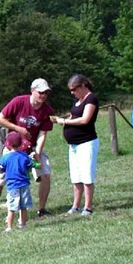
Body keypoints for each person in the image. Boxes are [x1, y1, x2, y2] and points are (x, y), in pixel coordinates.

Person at [0, 79, 55, 219]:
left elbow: (43, 133)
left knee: (46, 173)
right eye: (41, 92)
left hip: (33, 146)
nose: (43, 95)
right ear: (32, 91)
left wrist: (38, 153)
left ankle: (42, 209)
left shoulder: (47, 110)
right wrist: (19, 129)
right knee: (1, 179)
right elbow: (0, 118)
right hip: (14, 146)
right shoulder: (19, 101)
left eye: (46, 92)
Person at [53, 74, 99, 216]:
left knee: (87, 176)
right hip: (73, 144)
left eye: (74, 89)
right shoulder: (77, 101)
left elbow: (85, 120)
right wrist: (60, 120)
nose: (72, 93)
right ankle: (75, 205)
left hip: (86, 142)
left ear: (83, 86)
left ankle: (88, 207)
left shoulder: (91, 99)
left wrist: (64, 122)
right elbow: (73, 116)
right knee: (76, 176)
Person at [0, 131, 35, 232]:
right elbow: (30, 168)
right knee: (23, 206)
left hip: (12, 186)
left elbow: (1, 170)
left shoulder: (5, 158)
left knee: (11, 207)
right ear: (21, 144)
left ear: (8, 144)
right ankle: (23, 224)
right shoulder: (24, 156)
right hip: (24, 184)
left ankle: (9, 226)